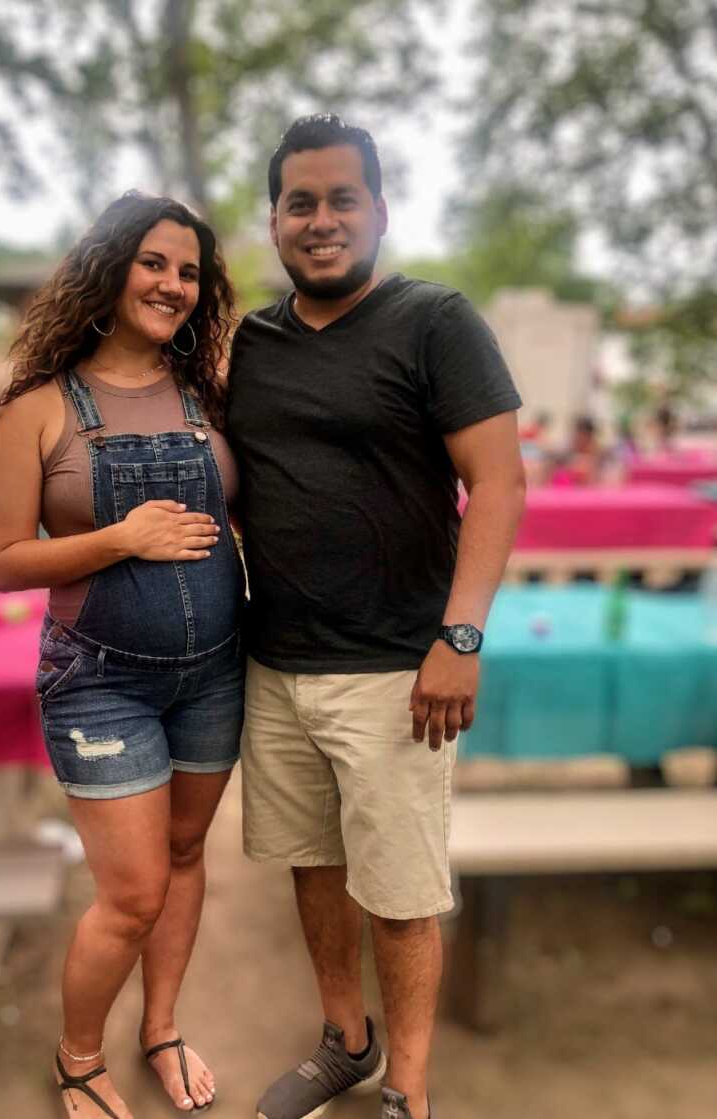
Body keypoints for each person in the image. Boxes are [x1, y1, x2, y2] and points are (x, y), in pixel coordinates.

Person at [225, 115, 525, 1119]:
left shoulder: (437, 322)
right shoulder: (253, 345)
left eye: (341, 199)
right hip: (275, 666)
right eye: (299, 202)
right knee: (313, 870)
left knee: (399, 896)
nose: (320, 220)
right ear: (273, 221)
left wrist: (461, 636)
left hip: (398, 672)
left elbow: (500, 482)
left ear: (380, 211)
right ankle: (344, 1042)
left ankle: (411, 1089)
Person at [0, 191, 246, 1119]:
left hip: (217, 670)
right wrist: (120, 538)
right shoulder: (38, 411)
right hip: (99, 684)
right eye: (154, 263)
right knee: (131, 894)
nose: (173, 285)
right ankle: (79, 1057)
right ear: (109, 267)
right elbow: (5, 562)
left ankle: (161, 1026)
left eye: (188, 272)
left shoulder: (209, 396)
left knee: (184, 853)